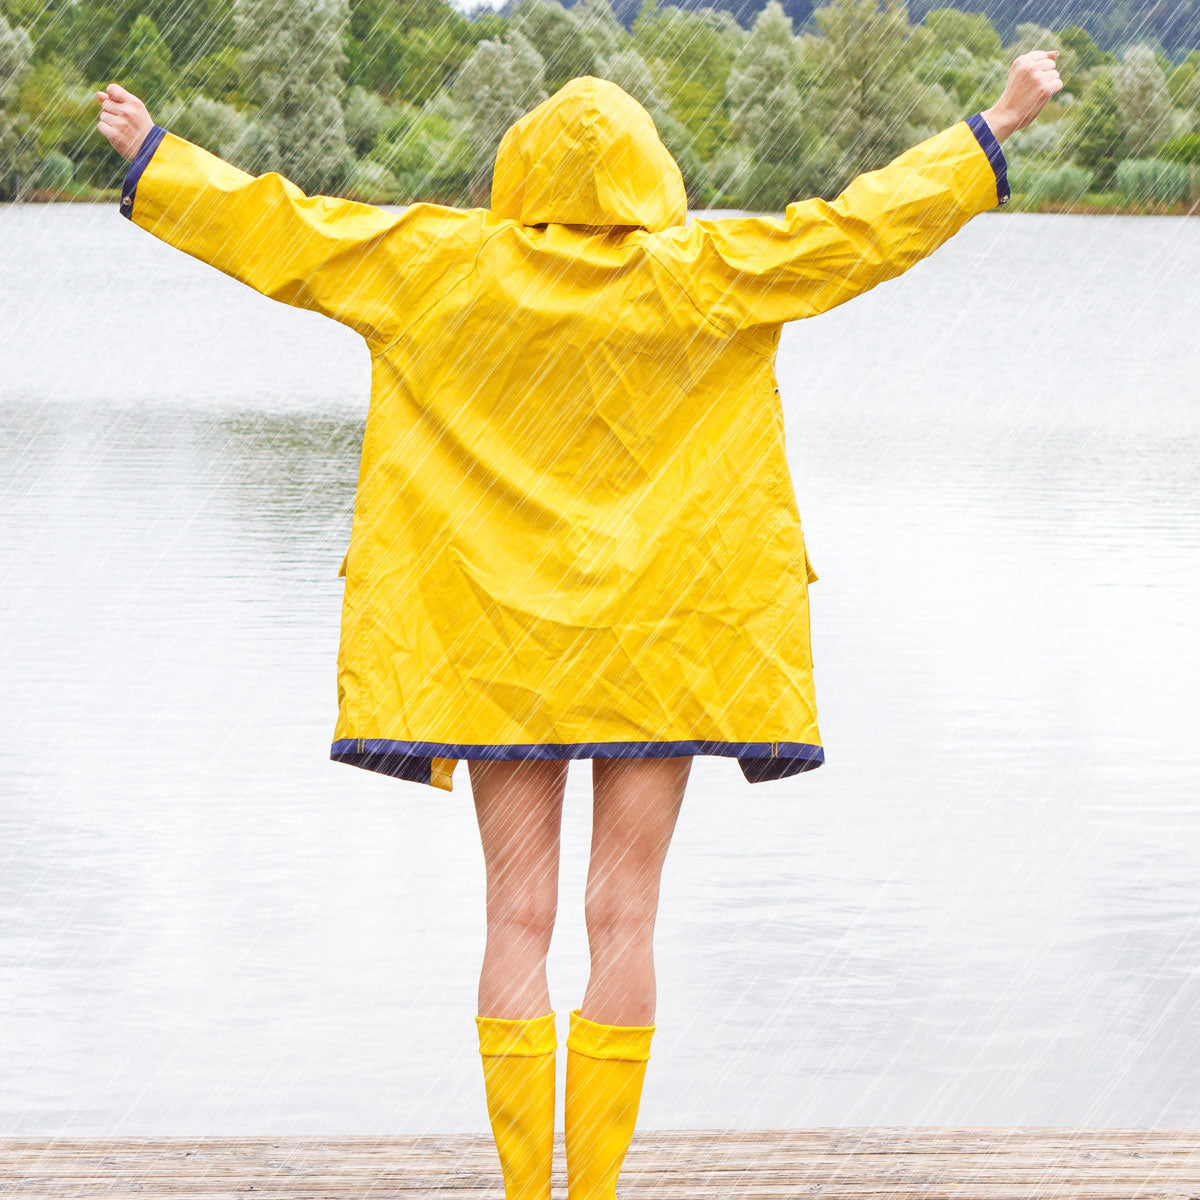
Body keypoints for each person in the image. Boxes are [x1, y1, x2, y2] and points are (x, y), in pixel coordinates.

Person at [97, 48, 1062, 1199]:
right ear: (653, 171)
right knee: (624, 916)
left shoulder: (439, 266)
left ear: (518, 171)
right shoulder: (709, 269)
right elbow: (862, 229)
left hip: (499, 647)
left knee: (516, 916)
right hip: (660, 642)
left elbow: (287, 233)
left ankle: (523, 1190)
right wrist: (998, 122)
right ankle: (593, 1189)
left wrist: (157, 161)